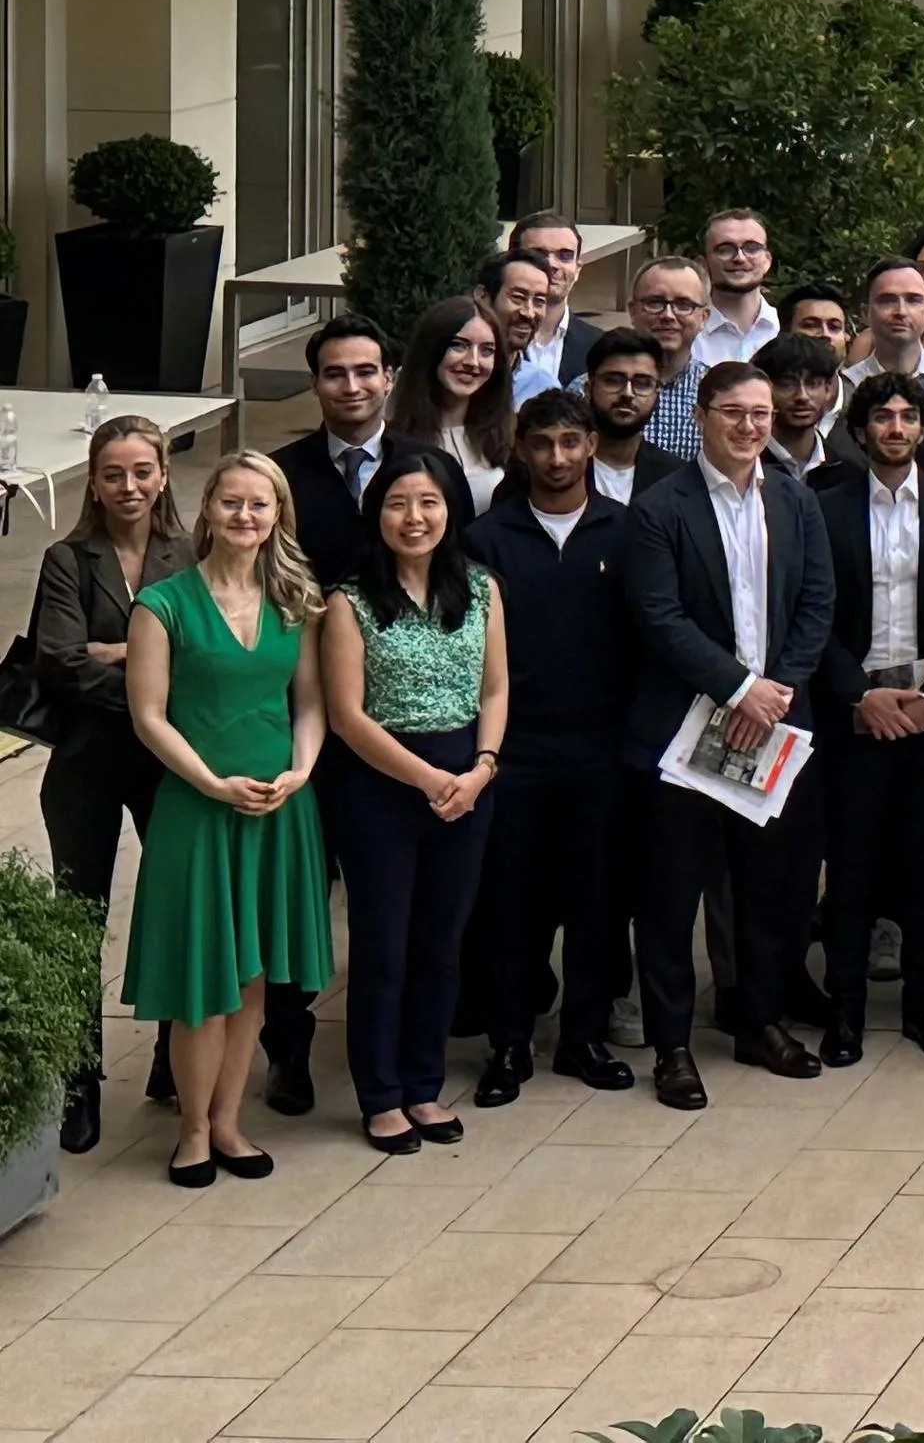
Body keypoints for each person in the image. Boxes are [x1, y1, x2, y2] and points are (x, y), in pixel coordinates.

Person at [620, 361, 835, 1108]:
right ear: (703, 415)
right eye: (735, 413)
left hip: (771, 729)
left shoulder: (797, 501)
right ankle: (672, 1045)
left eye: (762, 415)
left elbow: (816, 603)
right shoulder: (658, 508)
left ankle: (758, 1021)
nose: (750, 427)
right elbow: (658, 617)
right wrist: (739, 688)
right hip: (682, 732)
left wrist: (771, 695)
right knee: (672, 895)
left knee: (768, 889)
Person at [123, 452, 332, 1185]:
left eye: (261, 505)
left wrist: (301, 771)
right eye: (232, 503)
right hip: (199, 806)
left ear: (279, 516)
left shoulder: (296, 602)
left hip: (277, 806)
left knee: (251, 979)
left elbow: (309, 703)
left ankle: (228, 1122)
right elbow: (148, 716)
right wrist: (212, 783)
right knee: (202, 978)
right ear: (207, 508)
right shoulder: (163, 605)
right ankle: (189, 1129)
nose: (246, 517)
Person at [317, 450, 506, 1151]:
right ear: (377, 514)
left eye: (428, 502)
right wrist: (429, 780)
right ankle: (381, 1094)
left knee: (442, 943)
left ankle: (424, 1085)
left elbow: (494, 688)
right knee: (383, 945)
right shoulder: (350, 601)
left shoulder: (481, 589)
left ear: (451, 508)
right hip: (380, 788)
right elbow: (347, 717)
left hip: (468, 782)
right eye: (398, 503)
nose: (414, 518)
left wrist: (482, 768)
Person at [29, 416, 194, 1149]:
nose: (129, 487)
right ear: (93, 483)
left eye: (142, 472)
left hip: (172, 766)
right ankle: (79, 1083)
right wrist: (150, 674)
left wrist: (124, 651)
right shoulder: (67, 559)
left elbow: (205, 650)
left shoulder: (189, 555)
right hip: (86, 765)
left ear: (163, 476)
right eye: (113, 474)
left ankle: (170, 1057)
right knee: (77, 922)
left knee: (177, 908)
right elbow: (60, 661)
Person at [468, 388, 636, 1102]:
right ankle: (508, 1043)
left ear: (592, 445)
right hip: (517, 751)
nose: (558, 457)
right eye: (542, 444)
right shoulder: (486, 540)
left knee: (598, 902)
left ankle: (584, 1037)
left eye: (571, 442)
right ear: (519, 448)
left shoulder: (629, 533)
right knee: (513, 903)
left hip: (604, 750)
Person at [813, 371, 924, 1067]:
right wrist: (857, 694)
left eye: (907, 417)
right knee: (849, 870)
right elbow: (808, 614)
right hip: (854, 715)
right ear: (859, 431)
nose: (894, 428)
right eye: (881, 417)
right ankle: (845, 1012)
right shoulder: (822, 508)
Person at [277, 313, 420, 599]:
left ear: (388, 379)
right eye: (334, 374)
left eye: (365, 372)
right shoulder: (279, 474)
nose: (351, 387)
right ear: (314, 383)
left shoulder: (427, 467)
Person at [579, 330, 696, 507]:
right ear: (589, 389)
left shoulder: (677, 477)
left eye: (642, 383)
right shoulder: (561, 465)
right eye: (613, 380)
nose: (627, 393)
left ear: (658, 393)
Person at [508, 213, 602, 392]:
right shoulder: (483, 342)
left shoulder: (600, 346)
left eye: (565, 255)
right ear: (511, 262)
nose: (551, 264)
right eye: (537, 254)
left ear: (578, 269)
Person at [628, 258, 712, 457]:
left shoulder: (716, 392)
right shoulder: (589, 390)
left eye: (683, 305)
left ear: (704, 317)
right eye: (654, 303)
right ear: (633, 311)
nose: (668, 315)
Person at [688, 210, 782, 372]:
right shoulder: (686, 333)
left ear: (767, 261)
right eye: (725, 249)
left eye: (752, 248)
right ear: (702, 264)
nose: (740, 258)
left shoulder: (785, 327)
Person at [846, 259, 924, 400]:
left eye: (913, 300)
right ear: (865, 313)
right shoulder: (848, 386)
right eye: (888, 300)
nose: (901, 311)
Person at [484, 250, 567, 415]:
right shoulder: (454, 374)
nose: (529, 312)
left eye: (539, 301)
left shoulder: (544, 389)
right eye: (517, 298)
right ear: (482, 297)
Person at [757, 332, 845, 479]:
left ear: (829, 389)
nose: (802, 396)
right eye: (787, 385)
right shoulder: (746, 466)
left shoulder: (846, 471)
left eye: (813, 384)